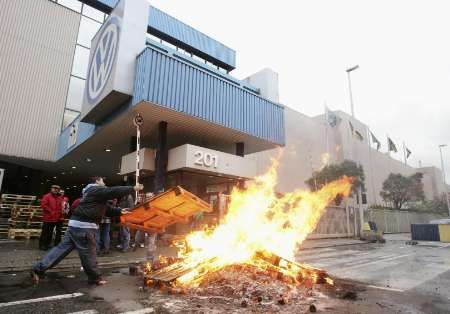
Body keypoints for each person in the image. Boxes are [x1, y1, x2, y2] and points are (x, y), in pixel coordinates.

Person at [31, 176, 143, 286]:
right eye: (102, 180)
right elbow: (112, 191)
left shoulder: (91, 192)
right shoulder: (96, 189)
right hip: (85, 227)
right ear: (97, 181)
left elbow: (105, 209)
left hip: (74, 225)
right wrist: (132, 188)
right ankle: (94, 278)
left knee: (60, 250)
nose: (104, 183)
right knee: (89, 254)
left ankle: (38, 269)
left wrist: (120, 211)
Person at [39, 185, 63, 250]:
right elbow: (43, 205)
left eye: (57, 189)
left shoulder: (59, 198)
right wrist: (51, 211)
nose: (56, 190)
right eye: (54, 188)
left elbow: (60, 208)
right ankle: (42, 245)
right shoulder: (47, 196)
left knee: (50, 232)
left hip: (55, 219)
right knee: (45, 232)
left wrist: (60, 215)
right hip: (47, 218)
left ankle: (47, 244)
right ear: (51, 189)